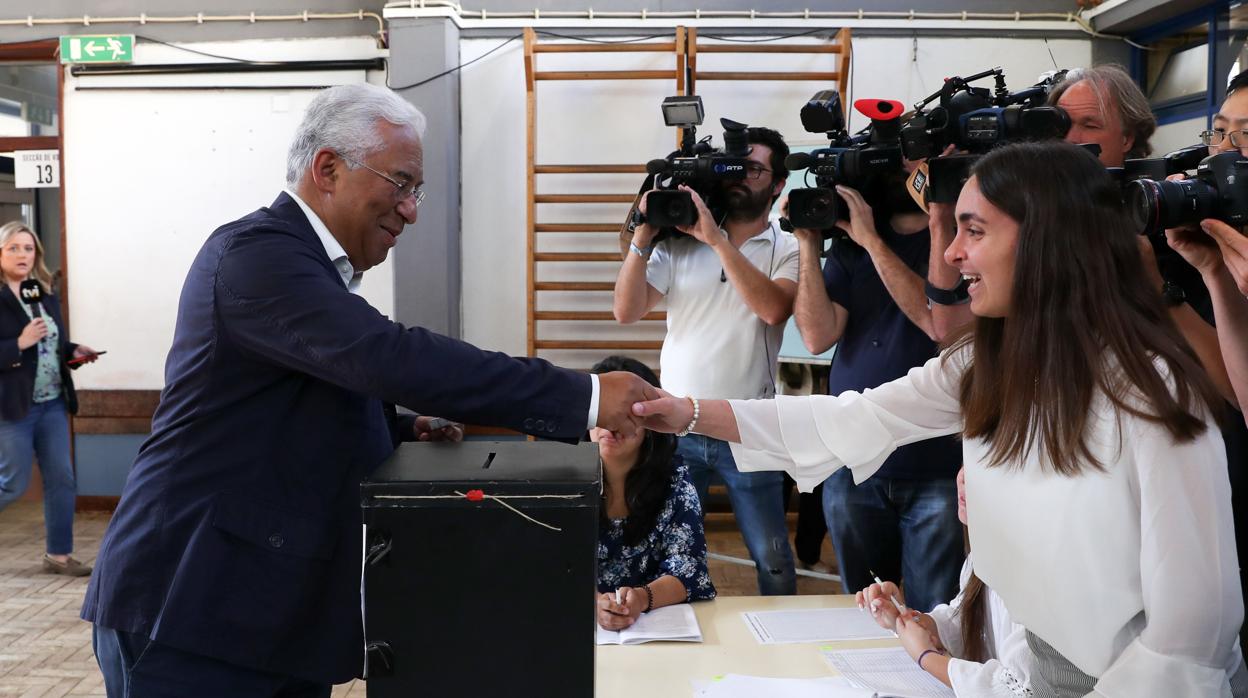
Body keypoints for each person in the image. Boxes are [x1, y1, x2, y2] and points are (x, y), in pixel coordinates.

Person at [82, 84, 655, 697]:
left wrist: (402, 430)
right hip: (194, 602)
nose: (411, 210)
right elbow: (385, 357)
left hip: (264, 609)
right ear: (328, 168)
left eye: (416, 191)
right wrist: (586, 397)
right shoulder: (256, 256)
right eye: (400, 184)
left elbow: (302, 398)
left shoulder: (309, 267)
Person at [634, 141, 1246, 695]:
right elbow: (857, 417)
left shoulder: (1152, 395)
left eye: (973, 232)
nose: (951, 254)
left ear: (1047, 239)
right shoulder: (989, 362)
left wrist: (945, 664)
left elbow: (1189, 640)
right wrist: (685, 411)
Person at [614, 126, 800, 595]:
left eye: (755, 169)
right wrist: (644, 235)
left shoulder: (788, 247)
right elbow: (626, 311)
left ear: (778, 183)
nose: (741, 178)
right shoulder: (680, 244)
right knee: (671, 554)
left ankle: (781, 655)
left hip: (750, 426)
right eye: (734, 168)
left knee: (773, 559)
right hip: (678, 423)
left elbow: (773, 308)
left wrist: (718, 240)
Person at [790, 163, 969, 612]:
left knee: (935, 610)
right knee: (865, 609)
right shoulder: (850, 252)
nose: (902, 171)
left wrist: (872, 240)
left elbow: (938, 324)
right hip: (855, 460)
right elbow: (816, 336)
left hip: (935, 462)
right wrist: (809, 248)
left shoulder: (956, 247)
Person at [858, 467, 1031, 696]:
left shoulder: (1035, 578)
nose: (962, 477)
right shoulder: (982, 555)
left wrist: (926, 657)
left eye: (985, 462)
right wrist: (916, 621)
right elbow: (967, 619)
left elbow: (1017, 689)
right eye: (965, 460)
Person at [0, 221, 99, 577]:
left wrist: (74, 351)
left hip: (53, 402)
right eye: (13, 248)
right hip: (13, 407)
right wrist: (19, 344)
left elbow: (54, 343)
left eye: (28, 249)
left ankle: (58, 556)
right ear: (0, 253)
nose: (22, 255)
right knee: (12, 485)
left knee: (62, 478)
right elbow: (24, 345)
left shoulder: (42, 293)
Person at [591, 356, 715, 631]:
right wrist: (595, 603)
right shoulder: (563, 480)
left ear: (649, 425)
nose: (611, 424)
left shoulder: (676, 482)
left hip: (654, 625)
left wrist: (641, 599)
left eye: (624, 413)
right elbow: (545, 568)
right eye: (601, 412)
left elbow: (689, 568)